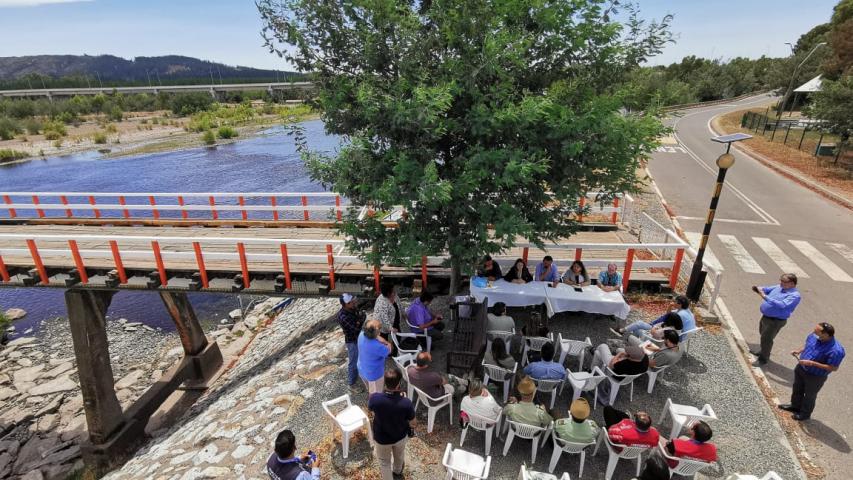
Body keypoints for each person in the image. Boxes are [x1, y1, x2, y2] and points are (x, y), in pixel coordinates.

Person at [778, 322, 845, 421]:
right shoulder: (814, 336)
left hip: (815, 376)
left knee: (809, 395)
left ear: (826, 335)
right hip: (801, 368)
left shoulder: (836, 351)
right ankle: (795, 406)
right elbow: (808, 345)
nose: (814, 333)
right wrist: (799, 351)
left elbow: (833, 368)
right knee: (797, 388)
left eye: (817, 333)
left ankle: (805, 414)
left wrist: (812, 363)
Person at [368, 368, 415, 480]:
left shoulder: (375, 398)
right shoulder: (406, 402)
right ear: (399, 383)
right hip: (400, 436)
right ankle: (397, 472)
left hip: (382, 438)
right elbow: (413, 422)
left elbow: (370, 409)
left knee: (384, 463)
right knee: (399, 456)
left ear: (385, 382)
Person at [750, 273, 802, 365]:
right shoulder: (779, 287)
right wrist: (758, 288)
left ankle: (763, 359)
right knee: (763, 335)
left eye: (784, 282)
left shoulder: (794, 295)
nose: (781, 283)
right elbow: (766, 289)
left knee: (767, 339)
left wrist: (765, 297)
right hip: (766, 317)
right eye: (781, 280)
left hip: (775, 321)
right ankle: (763, 352)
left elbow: (781, 305)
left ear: (792, 283)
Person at [615, 295, 692, 339]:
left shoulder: (680, 315)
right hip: (663, 329)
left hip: (662, 331)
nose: (674, 302)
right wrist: (670, 306)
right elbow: (669, 315)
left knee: (639, 324)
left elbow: (666, 324)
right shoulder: (682, 311)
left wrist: (656, 326)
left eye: (676, 302)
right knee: (638, 327)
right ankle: (629, 337)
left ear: (680, 304)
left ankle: (622, 331)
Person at [337, 293, 366, 394]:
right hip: (352, 341)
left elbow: (362, 316)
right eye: (351, 302)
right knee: (353, 363)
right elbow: (356, 328)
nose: (353, 302)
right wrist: (360, 320)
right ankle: (351, 384)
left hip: (357, 338)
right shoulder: (342, 316)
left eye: (352, 300)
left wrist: (359, 320)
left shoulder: (352, 309)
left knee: (360, 359)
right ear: (345, 304)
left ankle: (361, 376)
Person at [357, 319, 392, 394]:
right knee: (375, 395)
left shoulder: (361, 334)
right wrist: (387, 342)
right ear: (377, 332)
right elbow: (389, 351)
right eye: (380, 327)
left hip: (362, 368)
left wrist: (376, 337)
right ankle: (375, 404)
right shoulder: (378, 346)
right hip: (374, 374)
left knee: (370, 388)